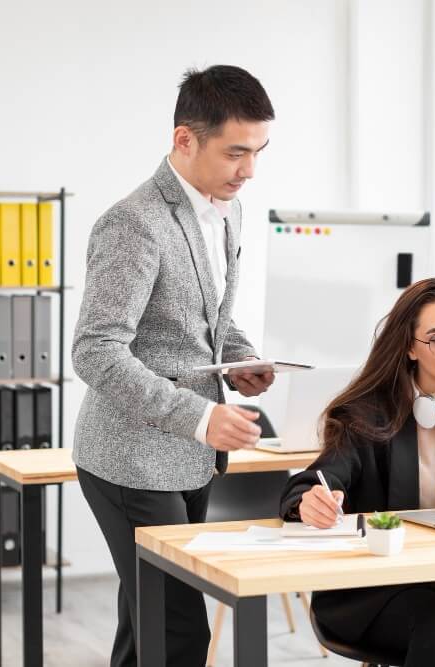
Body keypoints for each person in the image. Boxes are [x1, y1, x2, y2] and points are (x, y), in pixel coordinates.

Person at [71, 65, 276, 667]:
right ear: (185, 139)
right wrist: (201, 417)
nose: (249, 170)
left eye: (258, 152)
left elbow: (205, 321)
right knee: (179, 633)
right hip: (131, 459)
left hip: (190, 457)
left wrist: (240, 358)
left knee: (149, 627)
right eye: (235, 152)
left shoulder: (228, 211)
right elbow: (96, 349)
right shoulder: (134, 222)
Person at [279, 278, 435, 667]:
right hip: (375, 586)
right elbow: (313, 482)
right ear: (410, 348)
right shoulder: (366, 414)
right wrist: (308, 502)